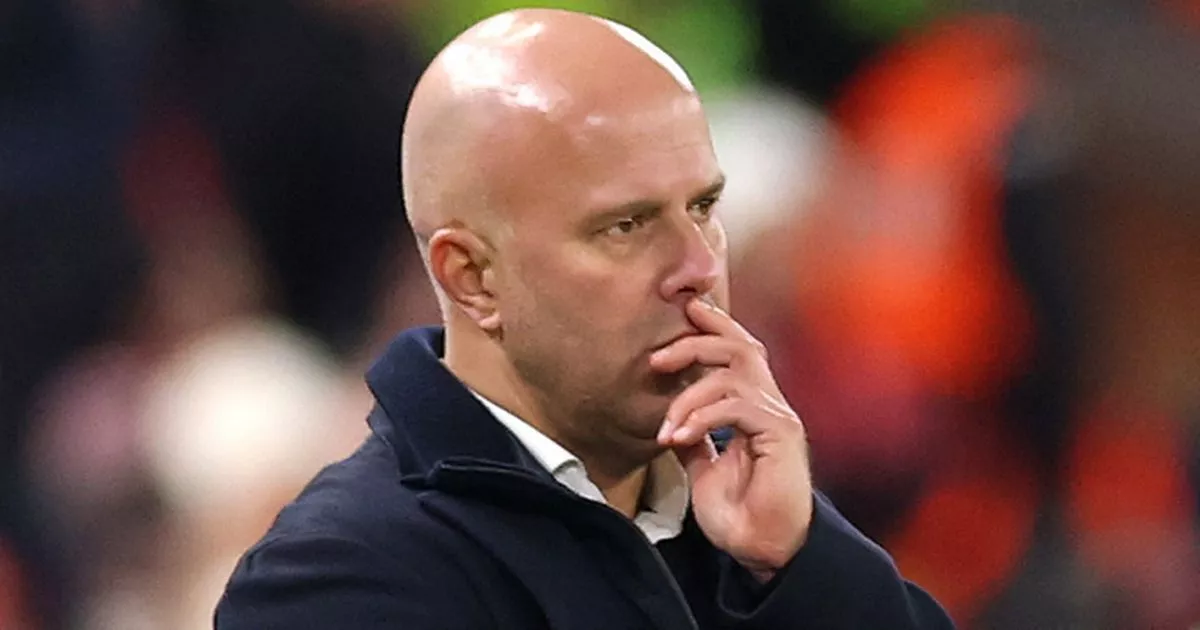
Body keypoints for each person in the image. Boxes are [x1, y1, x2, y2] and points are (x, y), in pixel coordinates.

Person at [214, 8, 954, 629]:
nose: (699, 265)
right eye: (626, 225)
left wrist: (804, 562)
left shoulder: (754, 523)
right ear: (472, 278)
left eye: (703, 208)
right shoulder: (339, 579)